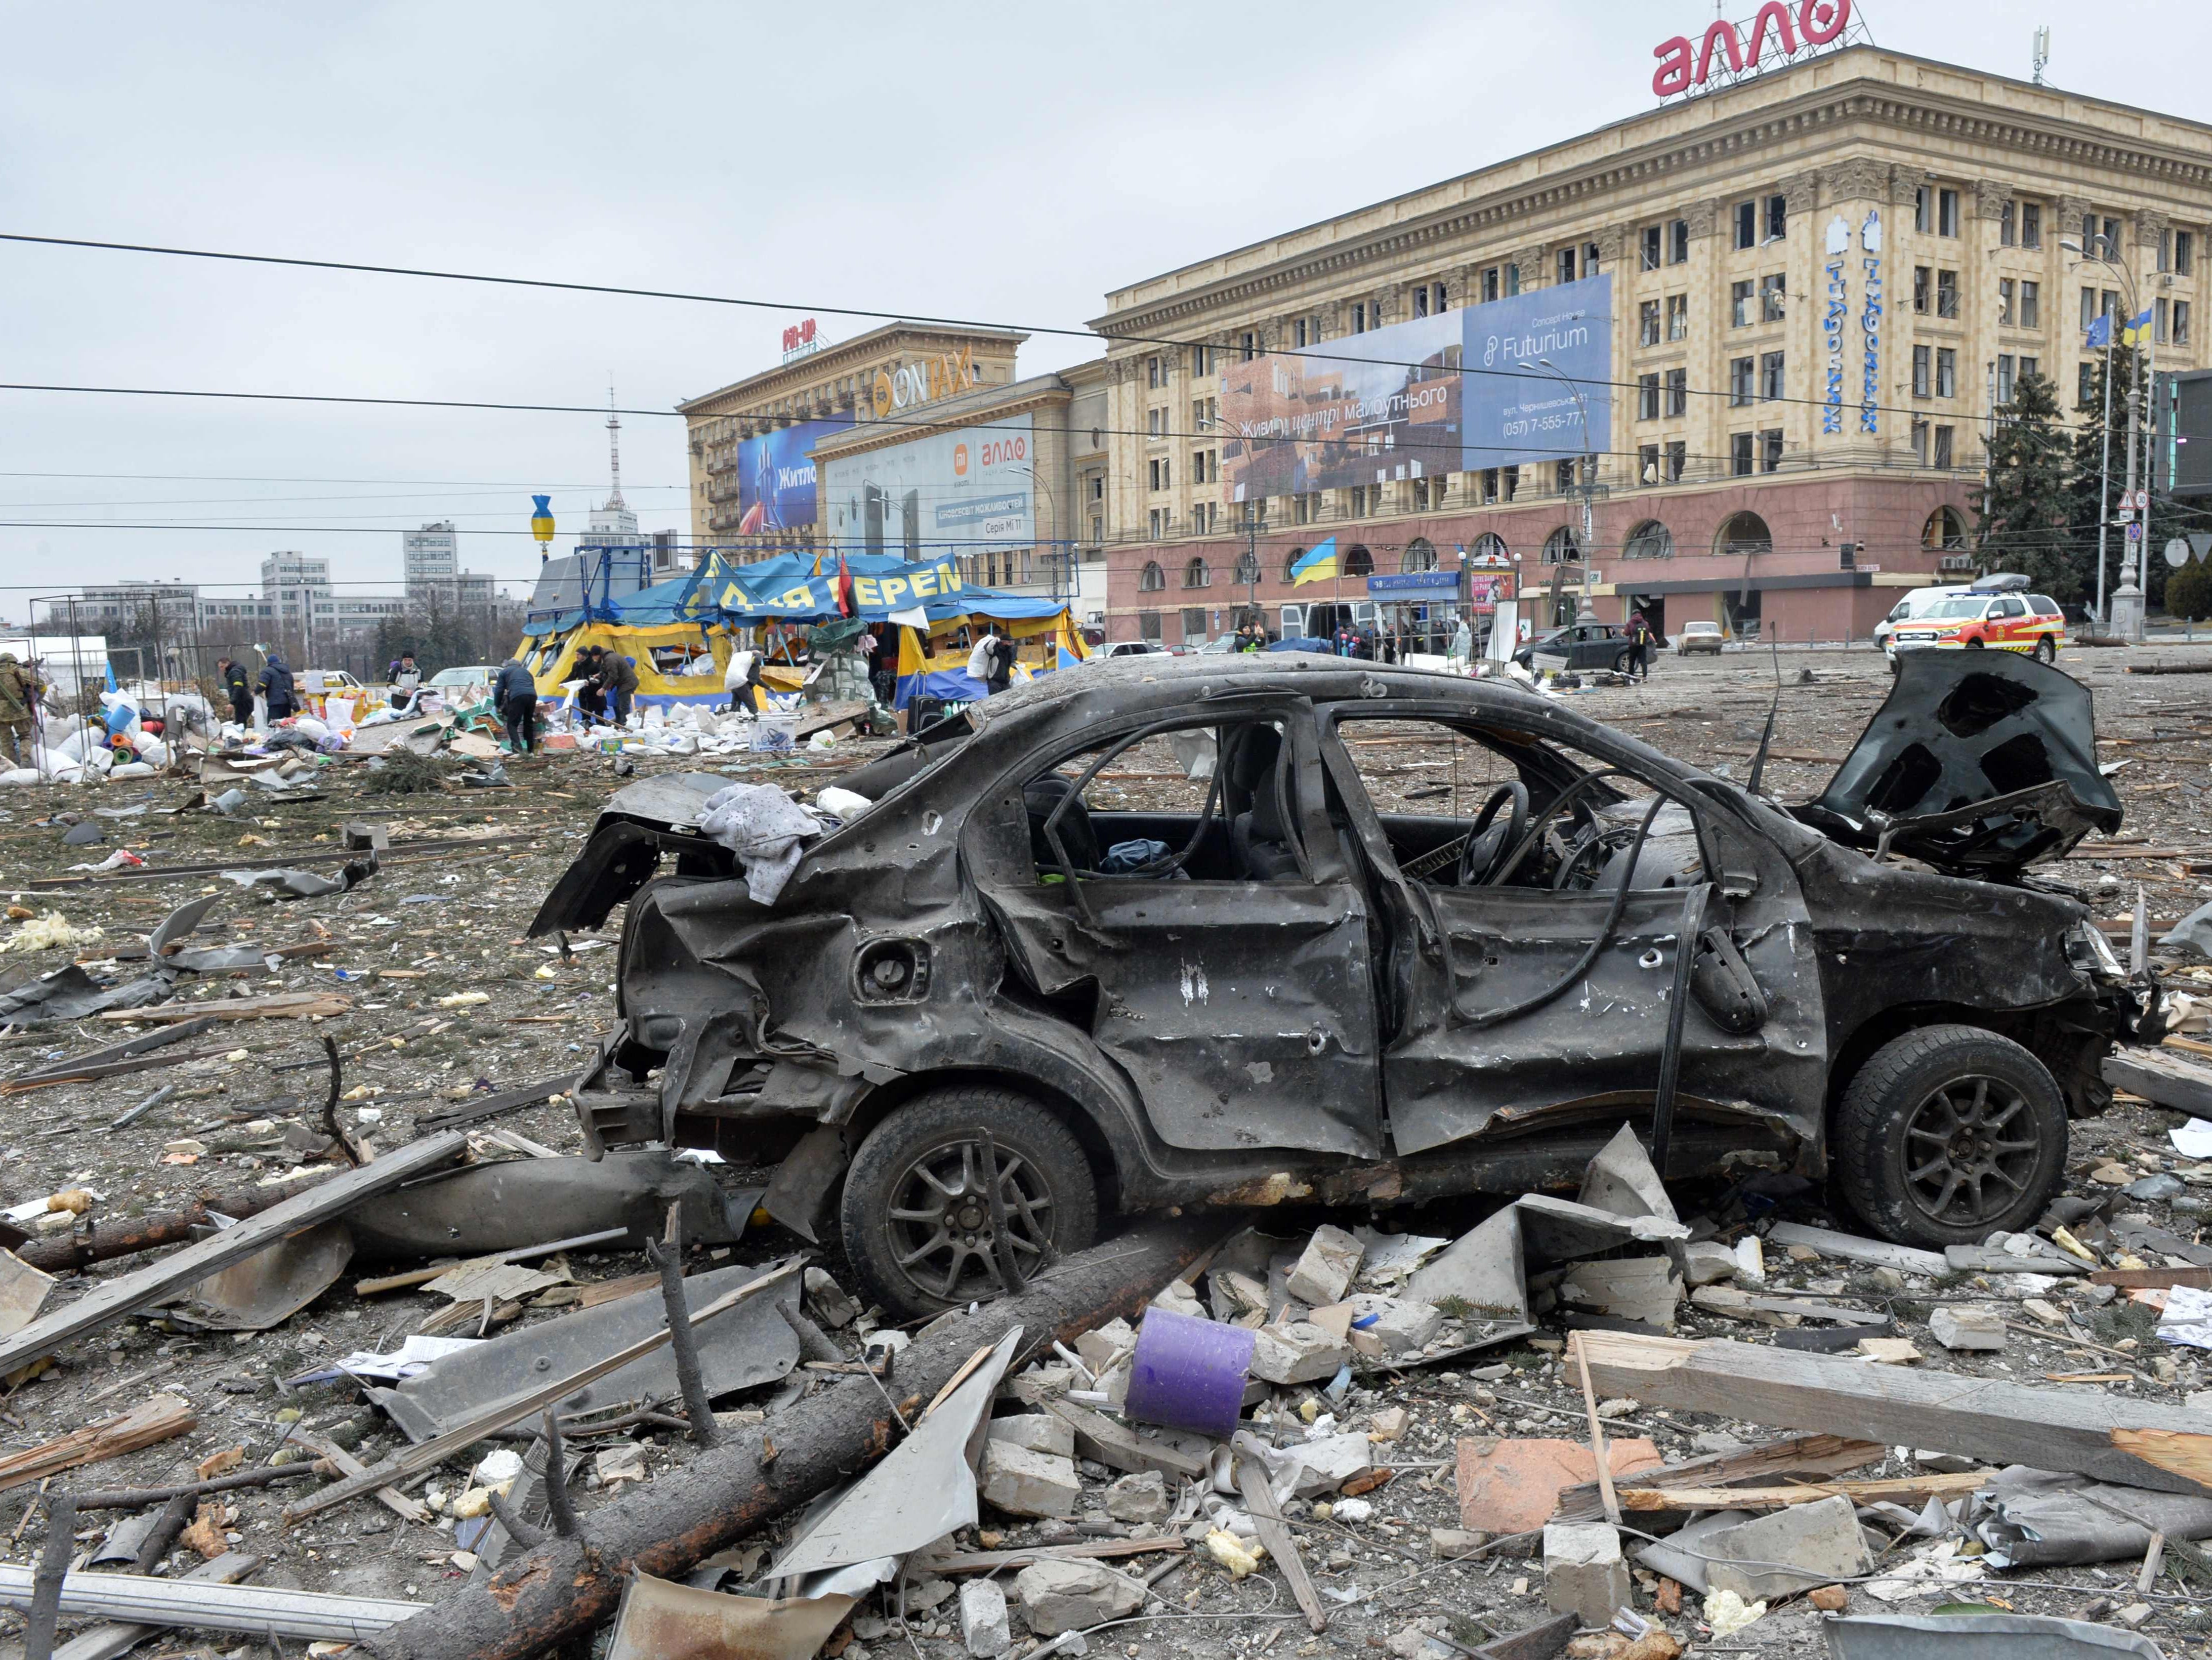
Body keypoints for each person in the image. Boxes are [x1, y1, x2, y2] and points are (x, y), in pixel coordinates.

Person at [493, 658, 539, 753]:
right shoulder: (527, 672)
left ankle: (518, 749)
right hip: (533, 696)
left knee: (512, 724)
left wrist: (497, 705)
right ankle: (530, 750)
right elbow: (531, 685)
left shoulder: (504, 672)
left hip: (518, 696)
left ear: (508, 666)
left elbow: (499, 690)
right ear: (520, 665)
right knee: (528, 722)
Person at [0, 652, 33, 767]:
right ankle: (25, 761)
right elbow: (39, 682)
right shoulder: (16, 670)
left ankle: (10, 765)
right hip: (18, 709)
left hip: (1, 712)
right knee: (25, 736)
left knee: (6, 740)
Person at [258, 653, 297, 723]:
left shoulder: (267, 671)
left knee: (273, 724)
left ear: (269, 663)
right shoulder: (287, 671)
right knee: (286, 725)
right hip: (288, 702)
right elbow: (292, 687)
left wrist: (256, 692)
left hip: (275, 703)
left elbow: (262, 685)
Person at [602, 651, 638, 725]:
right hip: (616, 700)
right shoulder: (625, 677)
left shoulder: (619, 672)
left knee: (619, 713)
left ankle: (619, 724)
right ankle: (623, 725)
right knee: (622, 711)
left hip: (612, 700)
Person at [218, 656, 253, 729]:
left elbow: (238, 687)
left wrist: (232, 703)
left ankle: (241, 739)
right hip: (242, 700)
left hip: (242, 700)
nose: (221, 669)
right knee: (241, 722)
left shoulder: (235, 672)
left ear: (227, 664)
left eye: (222, 667)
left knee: (240, 723)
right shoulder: (234, 671)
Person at [573, 646, 606, 722]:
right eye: (576, 654)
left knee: (599, 717)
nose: (577, 657)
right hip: (583, 695)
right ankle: (586, 731)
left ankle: (600, 729)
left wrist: (592, 682)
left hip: (596, 695)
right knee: (585, 718)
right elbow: (572, 676)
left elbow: (602, 679)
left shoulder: (595, 665)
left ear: (584, 655)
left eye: (579, 655)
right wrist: (563, 683)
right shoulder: (577, 665)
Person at [1627, 611, 1654, 682]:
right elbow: (1648, 632)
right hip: (1643, 645)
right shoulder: (1645, 623)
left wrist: (1624, 631)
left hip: (1633, 645)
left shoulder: (1630, 623)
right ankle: (1644, 677)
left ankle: (1631, 676)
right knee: (1643, 661)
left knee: (1632, 661)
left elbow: (1627, 633)